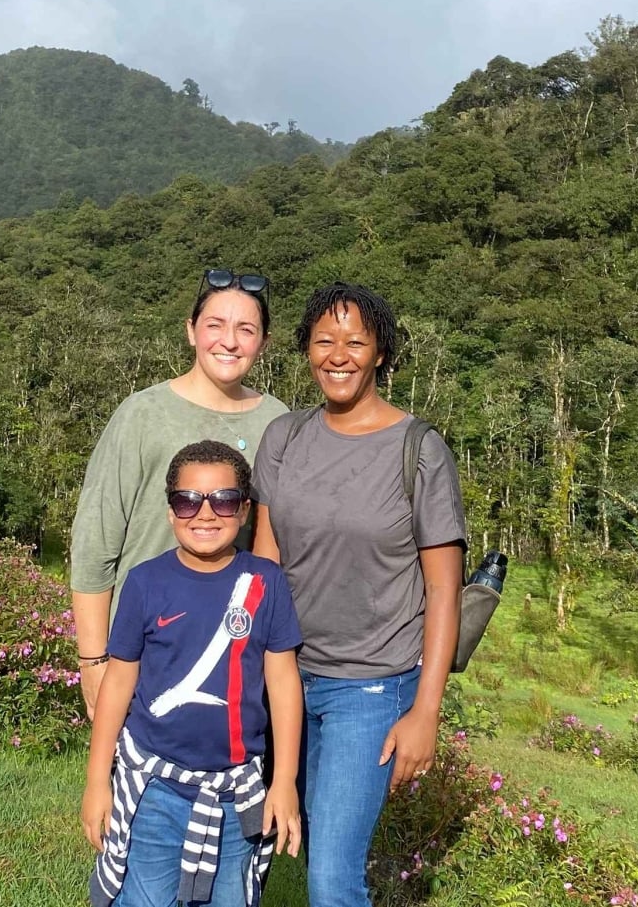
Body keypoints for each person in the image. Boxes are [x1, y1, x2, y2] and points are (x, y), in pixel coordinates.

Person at [250, 282, 466, 907]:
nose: (337, 355)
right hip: (283, 675)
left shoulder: (416, 450)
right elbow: (265, 565)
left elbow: (443, 590)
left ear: (379, 353)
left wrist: (426, 710)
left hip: (369, 688)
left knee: (331, 876)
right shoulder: (285, 440)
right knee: (273, 840)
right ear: (306, 351)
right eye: (323, 341)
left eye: (354, 341)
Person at [81, 440, 303, 907]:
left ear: (243, 510)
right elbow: (118, 684)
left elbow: (283, 684)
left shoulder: (266, 583)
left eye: (222, 500)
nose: (205, 514)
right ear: (170, 512)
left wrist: (282, 783)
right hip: (154, 790)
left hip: (236, 792)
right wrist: (97, 781)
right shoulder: (144, 582)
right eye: (188, 500)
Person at [70, 270, 288, 719]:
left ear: (263, 343)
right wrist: (93, 662)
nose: (228, 341)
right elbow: (95, 543)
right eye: (215, 325)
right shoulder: (142, 415)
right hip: (144, 650)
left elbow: (278, 540)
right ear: (191, 330)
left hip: (234, 655)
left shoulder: (278, 421)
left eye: (246, 330)